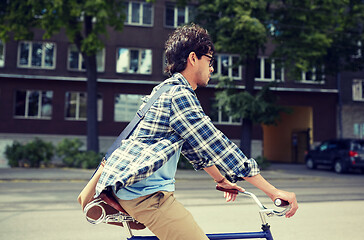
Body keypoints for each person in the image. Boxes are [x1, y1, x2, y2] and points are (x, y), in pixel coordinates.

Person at [95, 24, 298, 240]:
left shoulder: (165, 89)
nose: (212, 68)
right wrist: (273, 192)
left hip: (137, 190)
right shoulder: (179, 95)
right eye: (209, 61)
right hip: (145, 196)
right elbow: (216, 145)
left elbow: (195, 147)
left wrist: (221, 180)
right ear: (193, 58)